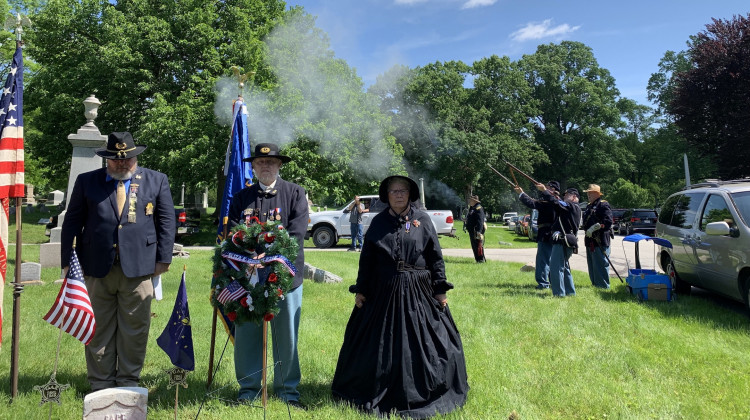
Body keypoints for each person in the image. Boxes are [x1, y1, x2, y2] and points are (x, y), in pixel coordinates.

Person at [331, 175, 469, 419]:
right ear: (387, 195)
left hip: (418, 289)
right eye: (393, 191)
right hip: (384, 290)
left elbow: (435, 257)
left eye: (402, 190)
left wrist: (440, 291)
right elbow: (368, 260)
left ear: (410, 194)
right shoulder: (378, 223)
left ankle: (421, 389)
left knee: (431, 340)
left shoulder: (423, 220)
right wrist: (362, 289)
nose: (398, 195)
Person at [61, 131, 176, 391]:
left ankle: (128, 381)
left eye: (127, 159)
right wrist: (68, 260)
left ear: (135, 157)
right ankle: (100, 384)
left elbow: (166, 222)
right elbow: (72, 223)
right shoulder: (87, 181)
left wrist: (164, 259)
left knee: (134, 328)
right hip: (95, 268)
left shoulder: (156, 181)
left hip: (139, 268)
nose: (122, 164)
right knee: (98, 327)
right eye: (115, 160)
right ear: (106, 159)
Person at [227, 142, 309, 408]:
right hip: (248, 277)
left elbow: (296, 235)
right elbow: (234, 235)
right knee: (248, 336)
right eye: (261, 163)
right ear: (253, 166)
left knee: (286, 337)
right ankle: (249, 390)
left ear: (279, 165)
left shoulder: (295, 193)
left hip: (284, 278)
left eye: (271, 162)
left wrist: (271, 259)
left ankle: (287, 392)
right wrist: (250, 258)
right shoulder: (241, 197)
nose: (266, 166)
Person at [515, 180, 561, 289]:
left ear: (553, 189)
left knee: (543, 260)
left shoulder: (552, 200)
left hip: (546, 233)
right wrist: (522, 193)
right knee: (549, 260)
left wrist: (521, 193)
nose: (545, 188)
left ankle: (543, 283)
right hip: (549, 233)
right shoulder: (554, 200)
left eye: (548, 187)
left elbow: (532, 203)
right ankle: (550, 282)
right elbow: (534, 202)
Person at [546, 187, 581, 297]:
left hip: (562, 241)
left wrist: (545, 191)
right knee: (564, 268)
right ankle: (570, 292)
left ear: (574, 197)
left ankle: (559, 294)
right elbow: (558, 204)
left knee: (556, 268)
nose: (565, 197)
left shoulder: (571, 206)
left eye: (567, 195)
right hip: (566, 241)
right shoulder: (572, 207)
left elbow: (557, 203)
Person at [581, 184, 614, 289]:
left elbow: (608, 222)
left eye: (590, 193)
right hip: (590, 239)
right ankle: (595, 284)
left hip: (600, 239)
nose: (588, 195)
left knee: (600, 264)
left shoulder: (603, 205)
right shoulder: (589, 206)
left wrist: (595, 228)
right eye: (588, 193)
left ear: (596, 193)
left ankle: (603, 285)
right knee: (592, 264)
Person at [464, 194, 486, 262]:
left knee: (478, 246)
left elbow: (480, 221)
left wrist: (479, 231)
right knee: (474, 246)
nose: (470, 201)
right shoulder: (472, 208)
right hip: (472, 231)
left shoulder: (478, 208)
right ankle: (477, 259)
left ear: (474, 201)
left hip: (476, 230)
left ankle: (481, 260)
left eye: (471, 200)